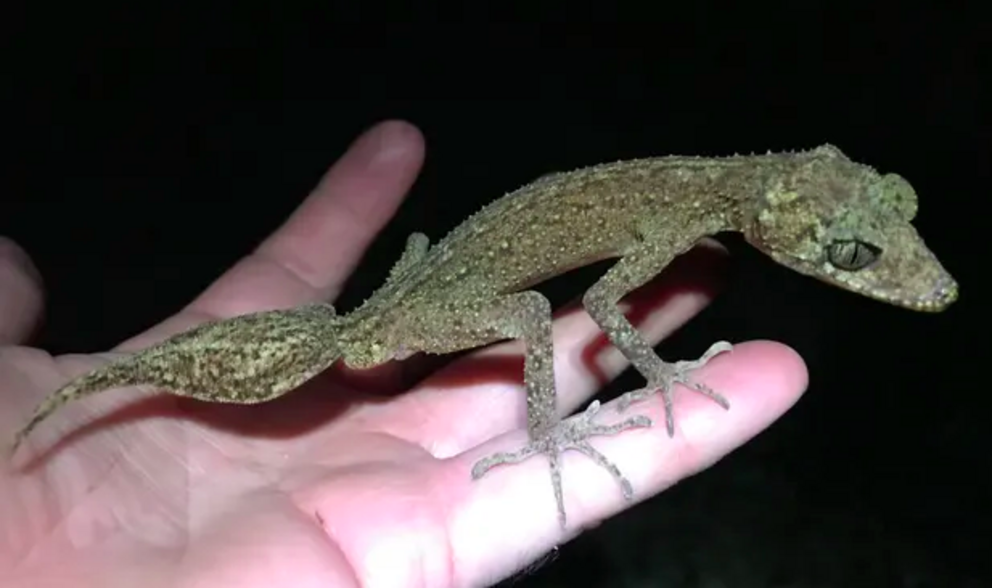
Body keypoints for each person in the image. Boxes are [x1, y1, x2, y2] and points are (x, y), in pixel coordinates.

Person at [0, 120, 806, 587]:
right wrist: (654, 375)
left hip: (416, 292)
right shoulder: (687, 202)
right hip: (408, 314)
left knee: (456, 271)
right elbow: (590, 304)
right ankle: (542, 436)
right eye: (843, 251)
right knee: (530, 309)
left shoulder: (693, 187)